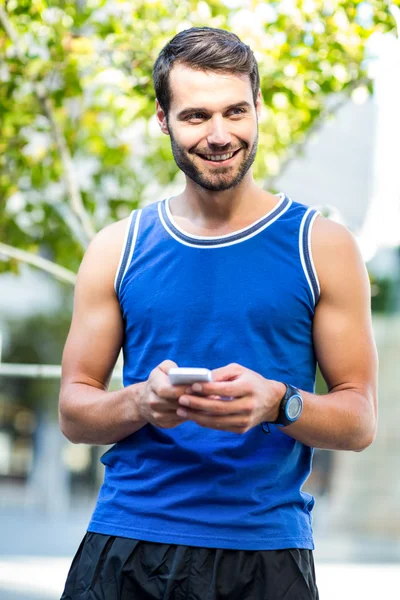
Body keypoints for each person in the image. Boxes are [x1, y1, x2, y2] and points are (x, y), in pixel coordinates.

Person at [59, 26, 378, 600]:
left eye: (236, 111)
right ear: (163, 118)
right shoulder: (116, 246)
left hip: (265, 554)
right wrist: (141, 401)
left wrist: (279, 402)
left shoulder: (323, 246)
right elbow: (74, 412)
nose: (220, 135)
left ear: (258, 107)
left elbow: (359, 421)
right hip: (127, 545)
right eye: (196, 116)